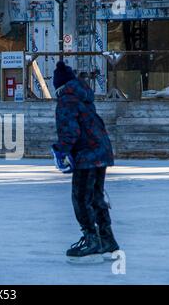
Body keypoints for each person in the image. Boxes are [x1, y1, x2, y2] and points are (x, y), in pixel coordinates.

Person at [51, 61, 119, 263]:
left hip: (87, 155)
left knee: (81, 198)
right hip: (101, 152)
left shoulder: (67, 99)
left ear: (59, 86)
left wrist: (61, 151)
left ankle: (91, 239)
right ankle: (107, 239)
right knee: (96, 197)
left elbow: (70, 130)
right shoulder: (84, 97)